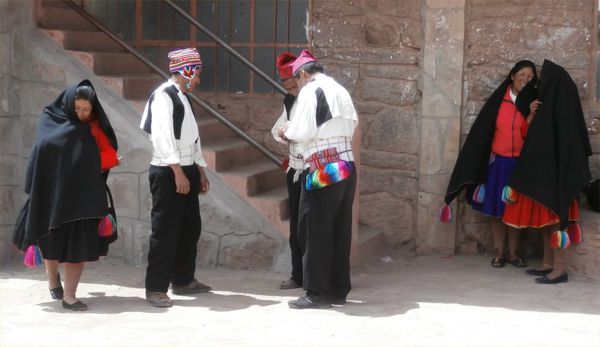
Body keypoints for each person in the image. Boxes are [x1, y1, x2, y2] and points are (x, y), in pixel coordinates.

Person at [12, 80, 119, 311]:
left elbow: (110, 156)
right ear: (68, 103)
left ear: (93, 109)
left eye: (86, 110)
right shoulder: (51, 119)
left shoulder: (94, 127)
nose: (80, 113)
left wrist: (88, 161)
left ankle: (69, 296)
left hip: (82, 201)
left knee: (76, 249)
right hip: (51, 197)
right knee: (49, 241)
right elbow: (41, 153)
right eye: (77, 108)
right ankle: (53, 281)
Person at [442, 60, 539, 269]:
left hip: (519, 165)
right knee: (496, 210)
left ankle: (514, 253)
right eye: (521, 75)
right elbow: (484, 133)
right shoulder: (499, 102)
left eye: (530, 77)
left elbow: (532, 136)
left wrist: (531, 114)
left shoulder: (532, 103)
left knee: (514, 210)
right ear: (512, 76)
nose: (525, 79)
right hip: (498, 163)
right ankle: (499, 252)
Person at [281, 50, 358, 309]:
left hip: (323, 166)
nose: (296, 85)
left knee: (314, 228)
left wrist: (285, 132)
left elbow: (301, 131)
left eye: (296, 79)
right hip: (345, 163)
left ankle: (316, 293)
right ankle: (338, 289)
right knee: (339, 228)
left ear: (303, 74)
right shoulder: (340, 90)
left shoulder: (310, 91)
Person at [503, 59, 591, 284]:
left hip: (558, 181)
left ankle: (560, 270)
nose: (539, 86)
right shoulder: (545, 111)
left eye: (543, 83)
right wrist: (532, 114)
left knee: (555, 224)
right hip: (546, 179)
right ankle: (547, 263)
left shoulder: (563, 115)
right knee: (545, 222)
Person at [140, 48, 211, 308]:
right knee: (166, 231)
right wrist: (178, 171)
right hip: (169, 170)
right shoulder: (164, 96)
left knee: (190, 227)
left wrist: (199, 170)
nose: (199, 79)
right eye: (198, 73)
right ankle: (156, 287)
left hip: (186, 167)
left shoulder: (182, 97)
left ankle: (182, 279)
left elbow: (192, 137)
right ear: (187, 70)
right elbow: (162, 137)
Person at [270, 52, 304, 290]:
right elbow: (278, 129)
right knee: (296, 225)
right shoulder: (289, 100)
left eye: (295, 85)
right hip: (295, 168)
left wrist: (291, 132)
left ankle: (314, 275)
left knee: (312, 224)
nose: (293, 90)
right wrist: (285, 134)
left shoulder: (314, 98)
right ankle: (298, 274)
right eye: (288, 86)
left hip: (313, 168)